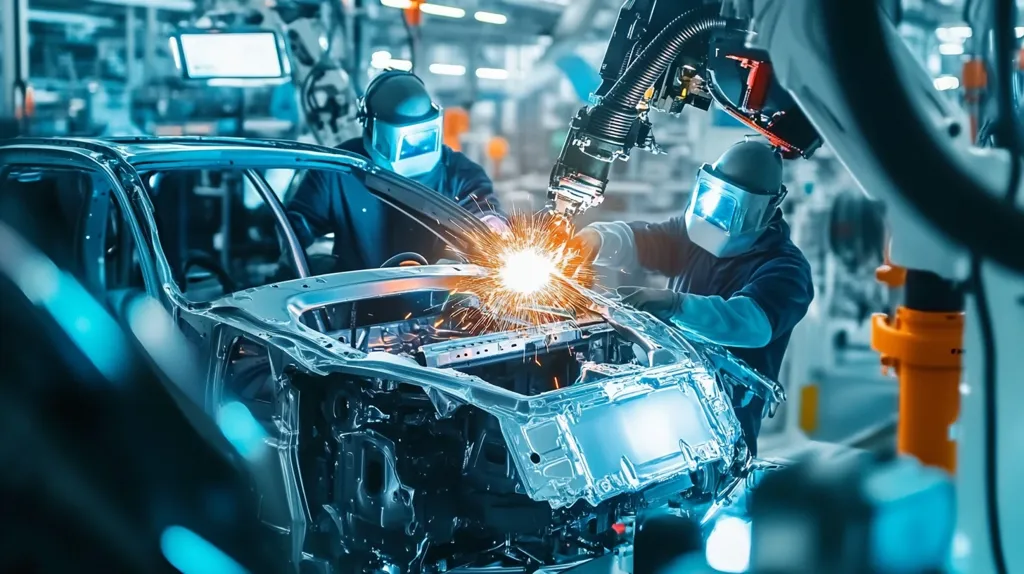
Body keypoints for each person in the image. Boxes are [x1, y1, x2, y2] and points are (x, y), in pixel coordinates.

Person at [573, 140, 814, 454]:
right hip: (662, 403)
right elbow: (643, 239)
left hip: (725, 426)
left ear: (763, 209)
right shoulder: (690, 236)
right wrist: (598, 239)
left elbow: (748, 323)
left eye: (728, 208)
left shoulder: (787, 269)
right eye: (712, 200)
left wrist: (675, 305)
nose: (714, 215)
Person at [287, 69, 508, 272]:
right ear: (375, 129)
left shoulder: (460, 173)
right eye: (409, 141)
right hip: (354, 299)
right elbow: (296, 228)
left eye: (424, 137)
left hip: (441, 305)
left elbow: (481, 209)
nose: (417, 148)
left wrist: (491, 224)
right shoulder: (339, 169)